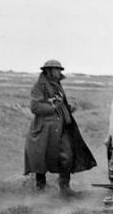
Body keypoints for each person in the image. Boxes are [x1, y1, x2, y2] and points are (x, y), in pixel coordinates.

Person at [24, 60, 96, 196]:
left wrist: (67, 109)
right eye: (56, 70)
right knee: (41, 159)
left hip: (61, 128)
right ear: (49, 71)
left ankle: (64, 187)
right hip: (45, 130)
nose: (59, 72)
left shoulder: (57, 85)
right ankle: (40, 189)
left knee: (67, 156)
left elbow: (60, 104)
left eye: (60, 70)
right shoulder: (40, 86)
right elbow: (35, 107)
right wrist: (53, 107)